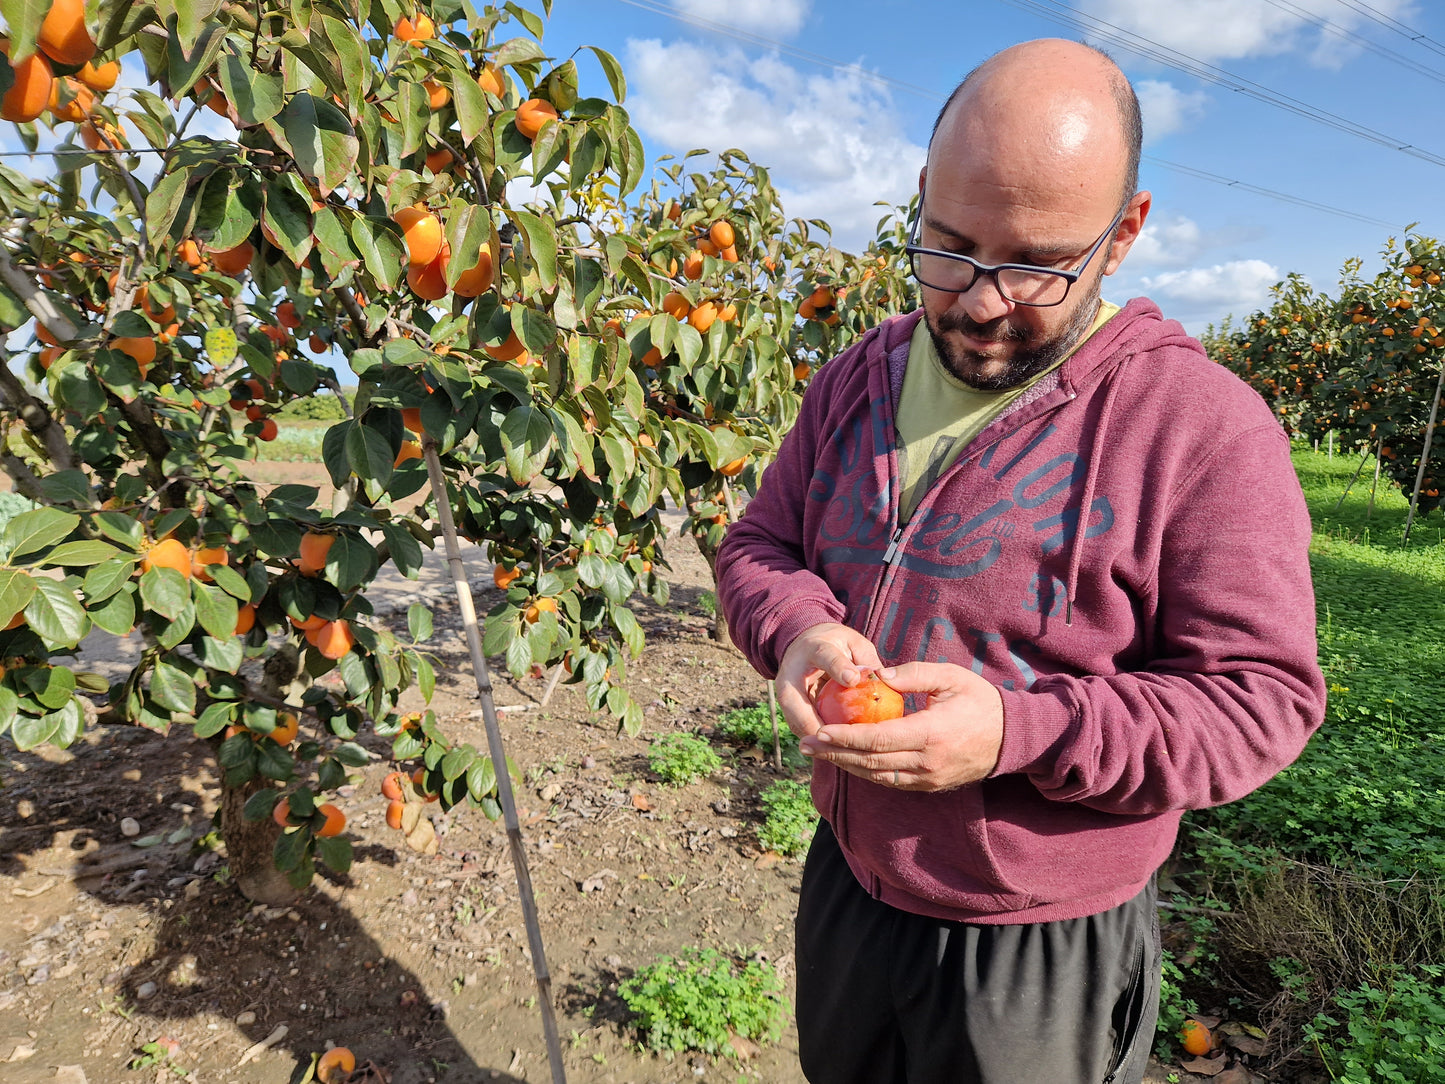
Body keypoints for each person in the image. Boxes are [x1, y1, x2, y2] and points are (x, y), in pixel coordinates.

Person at [715, 38, 1326, 1084]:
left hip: (1038, 937)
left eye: (1035, 264)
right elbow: (758, 544)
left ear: (1122, 234)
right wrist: (797, 627)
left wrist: (1017, 732)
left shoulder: (1199, 430)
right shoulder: (857, 378)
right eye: (948, 248)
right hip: (850, 882)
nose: (980, 302)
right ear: (920, 195)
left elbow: (1259, 699)